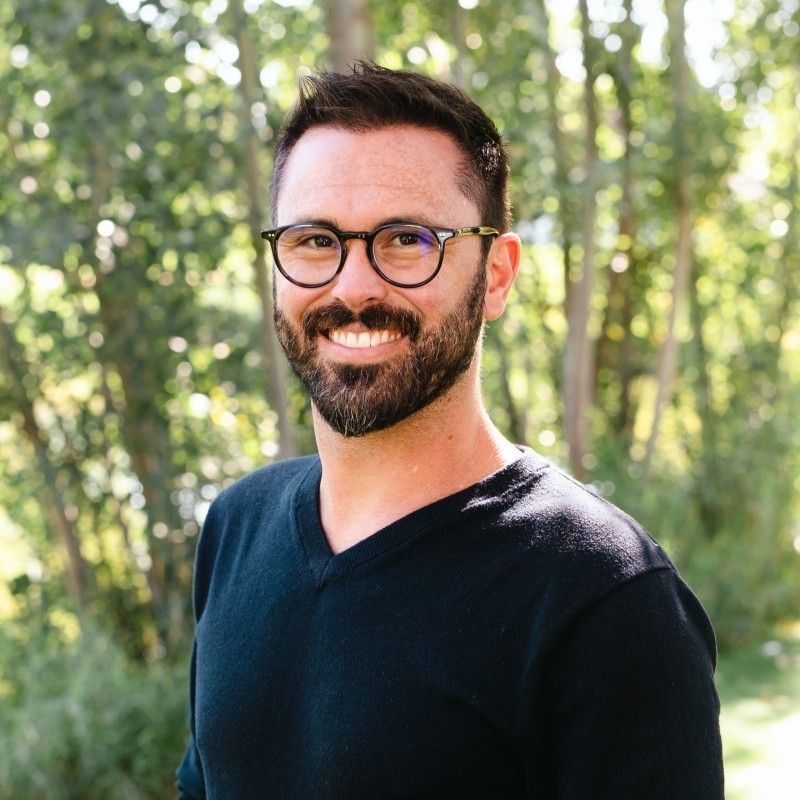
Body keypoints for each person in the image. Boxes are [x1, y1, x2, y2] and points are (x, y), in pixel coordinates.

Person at [176, 63, 723, 799]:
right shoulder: (237, 527)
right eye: (313, 240)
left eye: (407, 239)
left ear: (495, 275)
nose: (354, 286)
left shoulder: (603, 596)